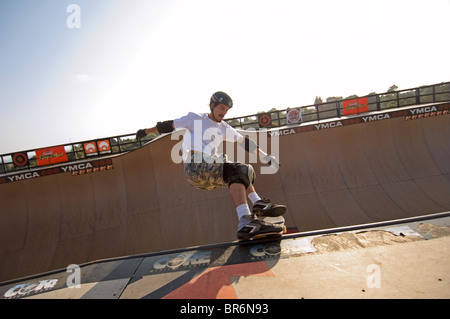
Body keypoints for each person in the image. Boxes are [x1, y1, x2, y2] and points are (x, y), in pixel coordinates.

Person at [136, 91, 286, 240]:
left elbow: (245, 142)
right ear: (212, 105)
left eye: (226, 110)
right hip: (195, 165)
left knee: (245, 172)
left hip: (206, 177)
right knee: (239, 169)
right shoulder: (195, 118)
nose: (223, 113)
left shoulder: (224, 127)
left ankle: (255, 207)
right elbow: (168, 125)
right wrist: (146, 131)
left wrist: (266, 156)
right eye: (221, 108)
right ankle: (247, 219)